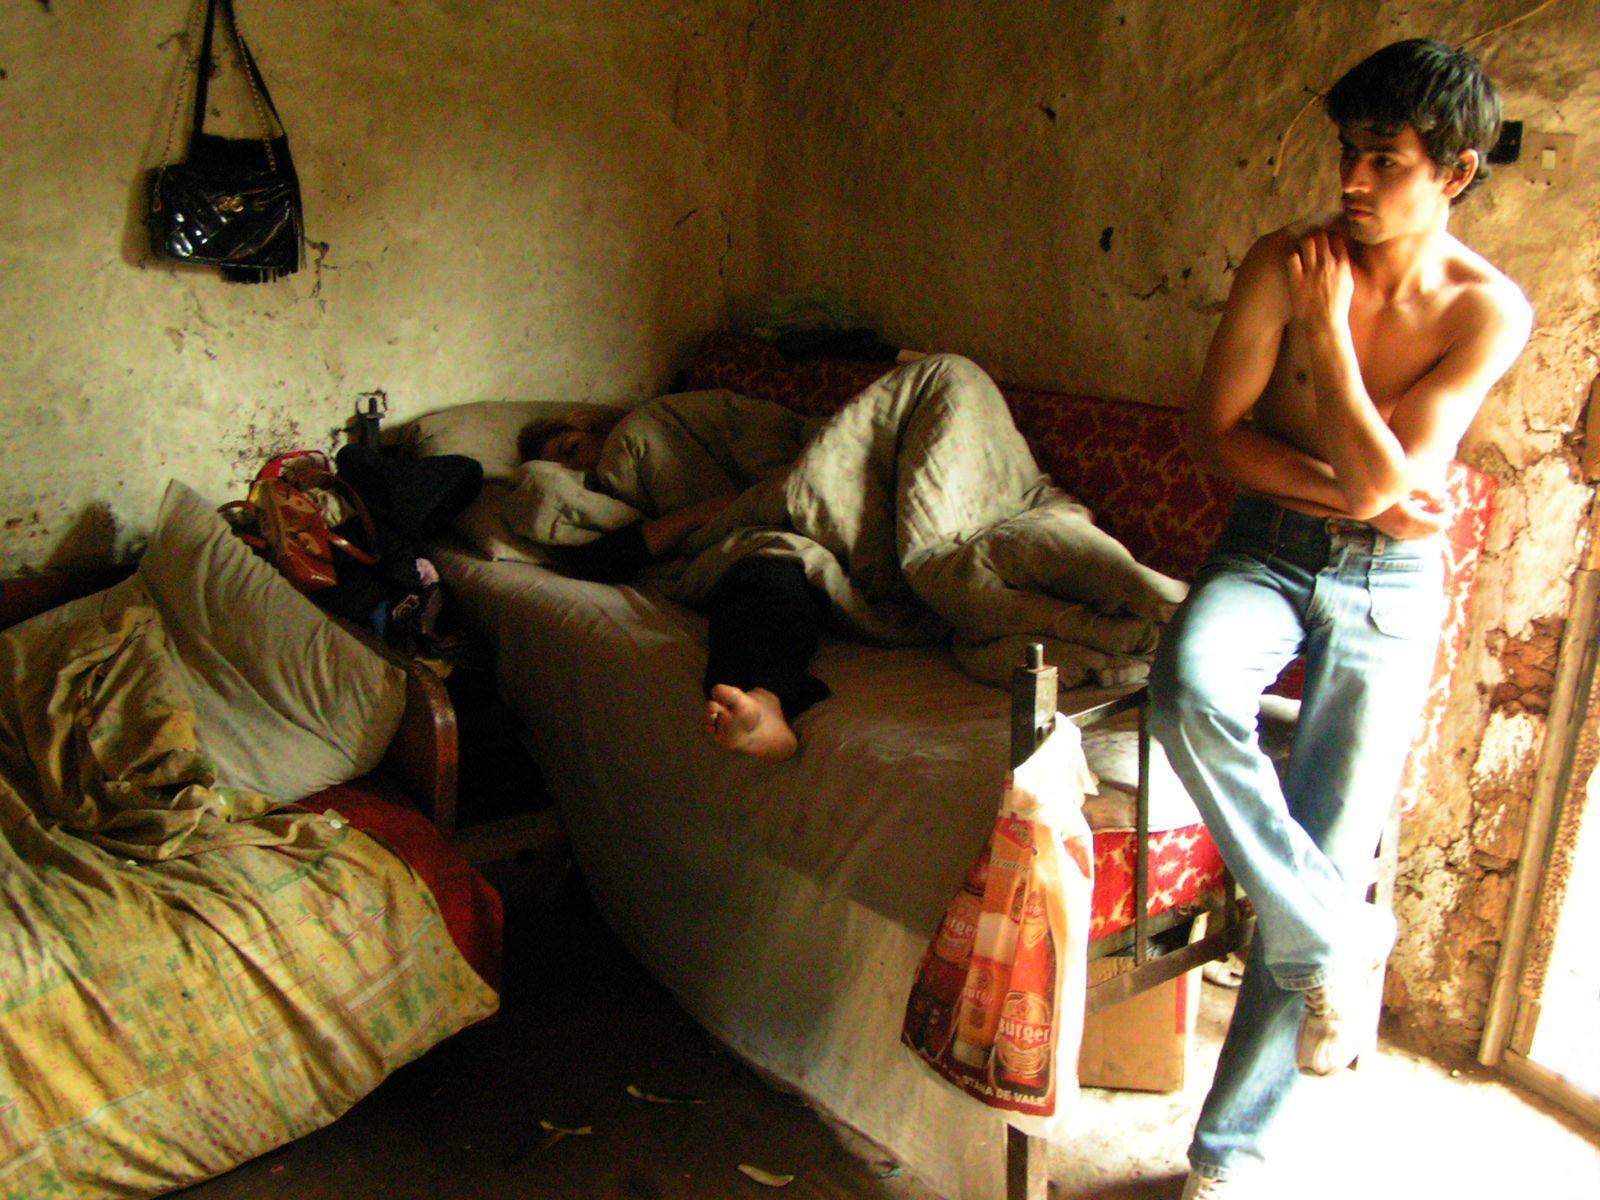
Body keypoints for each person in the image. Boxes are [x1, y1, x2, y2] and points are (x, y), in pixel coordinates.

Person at [1145, 39, 1532, 1199]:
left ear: (1454, 173)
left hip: (1394, 588)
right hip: (1263, 550)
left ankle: (1227, 1157)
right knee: (1188, 688)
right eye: (1345, 155)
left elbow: (1389, 477)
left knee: (1324, 835)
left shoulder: (1487, 309)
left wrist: (1324, 340)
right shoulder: (1282, 257)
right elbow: (1214, 435)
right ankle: (1333, 933)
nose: (1350, 183)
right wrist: (1352, 493)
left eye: (1381, 160)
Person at [518, 411, 830, 763]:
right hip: (747, 544)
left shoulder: (660, 423)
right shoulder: (600, 492)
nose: (582, 464)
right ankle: (764, 704)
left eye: (572, 448)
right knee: (764, 572)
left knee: (769, 561)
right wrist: (701, 514)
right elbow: (597, 562)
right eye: (566, 467)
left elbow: (767, 438)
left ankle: (765, 704)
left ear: (585, 423)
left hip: (787, 507)